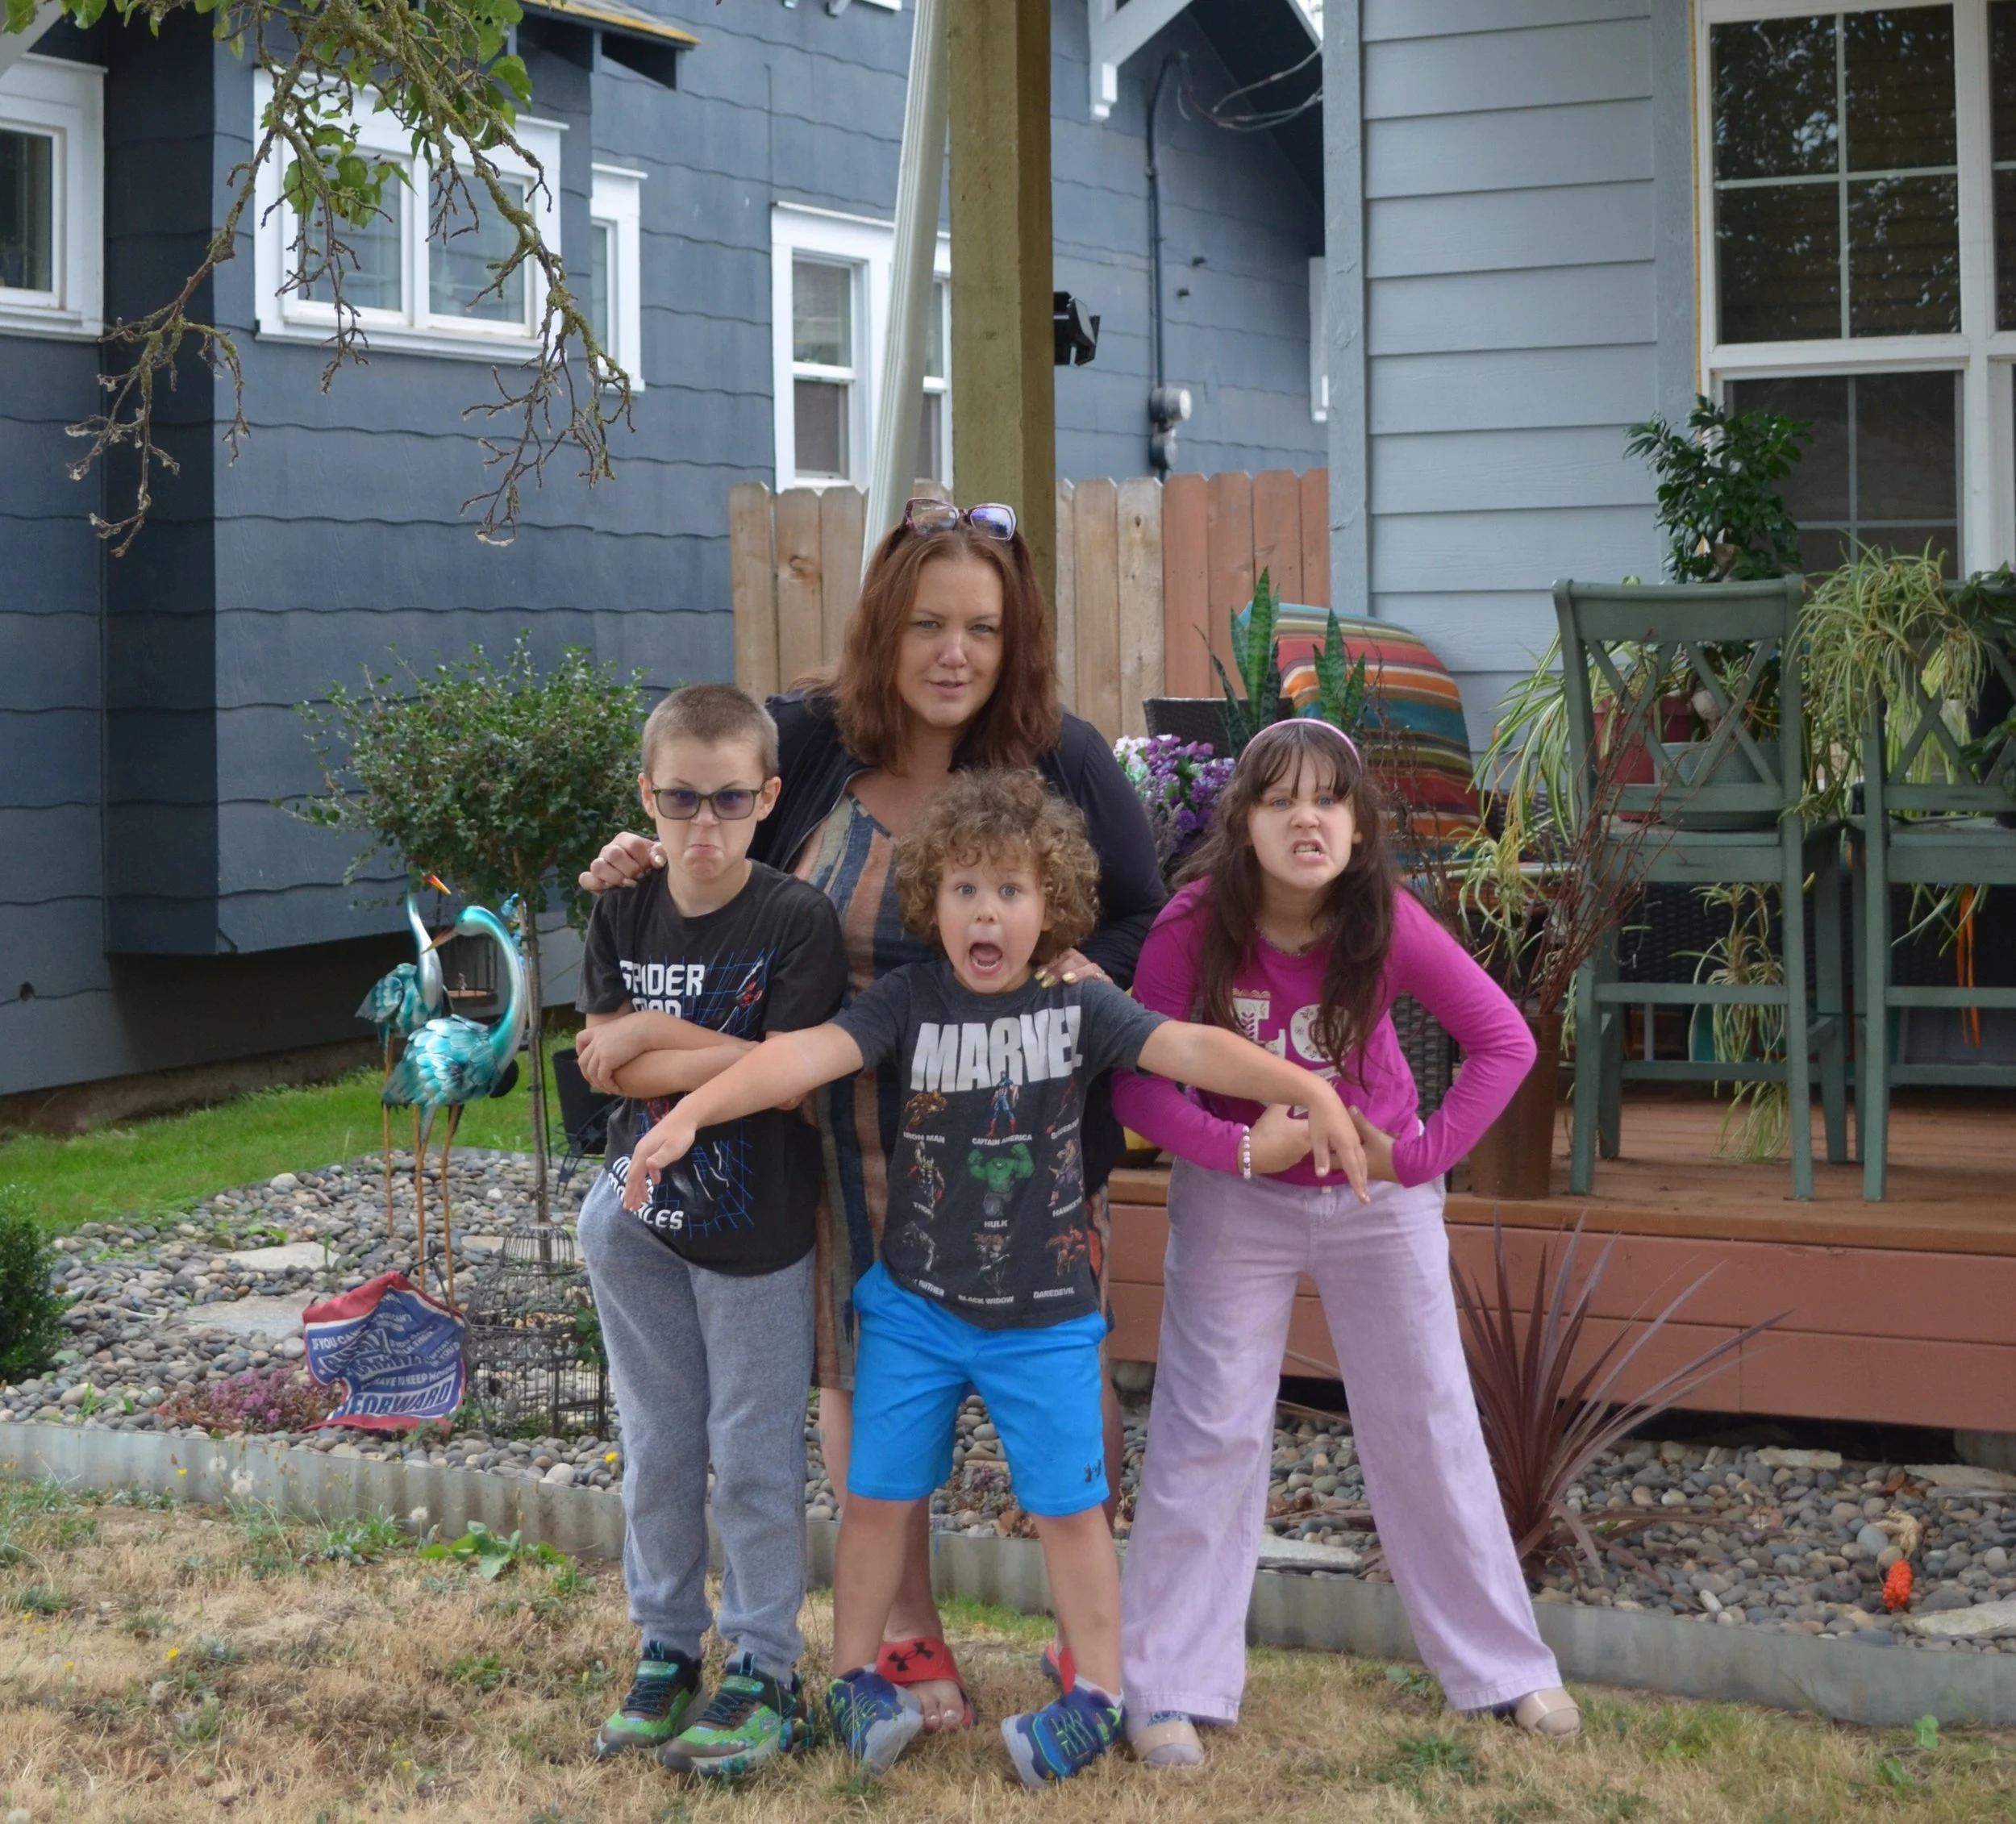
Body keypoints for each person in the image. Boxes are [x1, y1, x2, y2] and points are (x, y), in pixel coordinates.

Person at [620, 768, 1368, 1784]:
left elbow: (1186, 1045)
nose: (988, 911)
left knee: (1069, 1509)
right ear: (932, 903)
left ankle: (1096, 1692)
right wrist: (694, 1112)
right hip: (914, 1312)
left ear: (1047, 908)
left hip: (1046, 1321)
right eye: (966, 889)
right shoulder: (904, 1000)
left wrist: (1300, 1087)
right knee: (878, 1496)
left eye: (1012, 892)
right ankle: (852, 1677)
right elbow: (798, 1057)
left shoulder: (1080, 1005)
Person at [577, 497, 1164, 1728]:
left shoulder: (1063, 759)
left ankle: (1088, 1650)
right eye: (931, 624)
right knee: (858, 1376)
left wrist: (1085, 970)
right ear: (885, 629)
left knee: (1063, 1382)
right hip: (831, 1123)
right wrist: (652, 850)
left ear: (1016, 642)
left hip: (1019, 1140)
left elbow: (1140, 920)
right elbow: (713, 817)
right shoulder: (812, 743)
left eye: (985, 628)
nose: (957, 652)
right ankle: (907, 1640)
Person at [1111, 717, 1581, 1769]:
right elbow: (1136, 1073)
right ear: (1246, 826)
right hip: (1237, 1198)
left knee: (1428, 1421)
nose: (1306, 817)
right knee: (1209, 1423)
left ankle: (1508, 1669)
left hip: (1376, 1202)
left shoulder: (1389, 919)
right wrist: (1236, 1148)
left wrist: (1419, 1158)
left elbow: (1504, 1039)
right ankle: (1168, 1684)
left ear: (1361, 829)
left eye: (1329, 799)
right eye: (1280, 799)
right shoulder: (1196, 925)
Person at [571, 683, 848, 1778]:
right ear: (649, 792)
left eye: (729, 800)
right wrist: (690, 1044)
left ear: (768, 796)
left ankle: (766, 1663)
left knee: (753, 1461)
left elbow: (791, 1083)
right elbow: (606, 1063)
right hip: (637, 1224)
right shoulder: (622, 906)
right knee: (659, 1450)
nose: (702, 826)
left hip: (756, 1233)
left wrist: (650, 1032)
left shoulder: (793, 918)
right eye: (679, 799)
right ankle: (668, 1644)